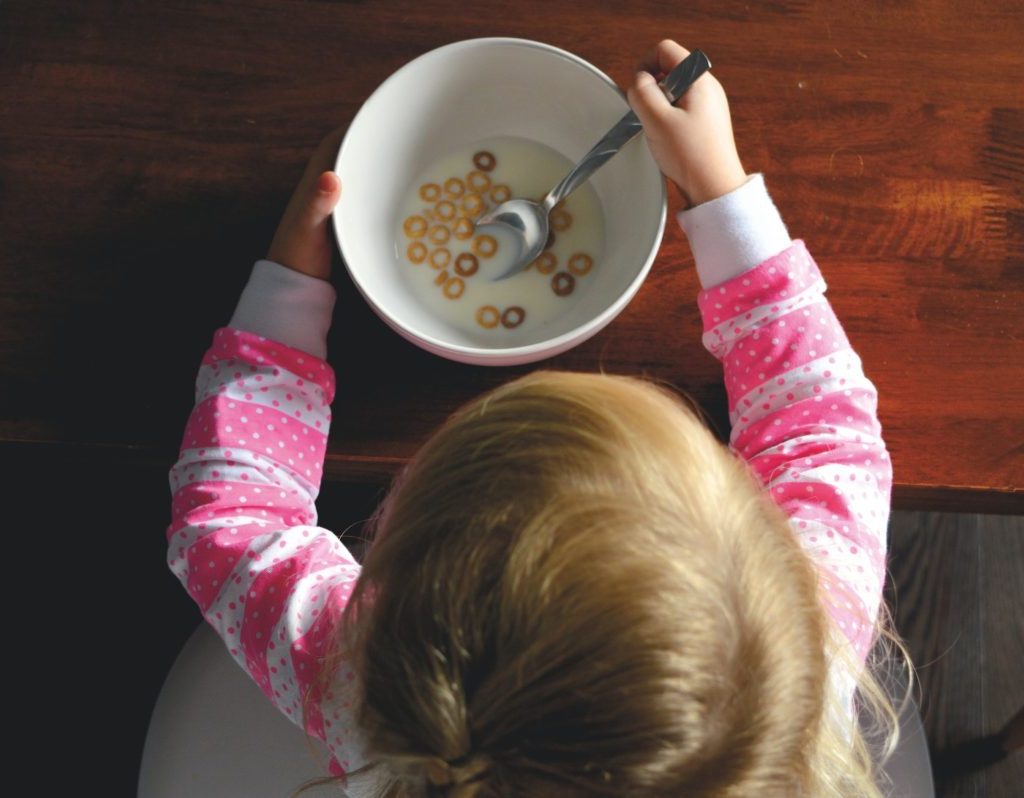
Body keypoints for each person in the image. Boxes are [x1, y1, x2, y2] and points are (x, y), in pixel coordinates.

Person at [167, 39, 905, 798]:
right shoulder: (805, 659)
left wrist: (288, 286)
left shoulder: (364, 687)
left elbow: (228, 521)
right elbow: (822, 431)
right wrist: (721, 192)